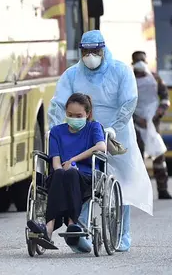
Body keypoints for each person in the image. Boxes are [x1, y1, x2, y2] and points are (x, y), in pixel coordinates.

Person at [48, 30, 153, 252]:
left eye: (95, 51)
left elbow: (129, 101)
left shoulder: (121, 71)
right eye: (86, 52)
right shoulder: (71, 75)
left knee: (123, 181)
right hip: (82, 133)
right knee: (85, 178)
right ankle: (77, 228)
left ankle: (123, 232)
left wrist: (114, 127)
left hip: (117, 132)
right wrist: (56, 131)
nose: (90, 56)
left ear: (103, 50)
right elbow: (58, 105)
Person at [27, 93, 106, 252]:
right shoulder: (57, 132)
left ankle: (61, 225)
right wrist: (64, 168)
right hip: (60, 176)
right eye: (70, 115)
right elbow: (56, 162)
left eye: (78, 115)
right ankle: (54, 228)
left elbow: (101, 147)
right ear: (65, 113)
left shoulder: (93, 127)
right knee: (62, 173)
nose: (74, 118)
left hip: (86, 177)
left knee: (70, 173)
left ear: (87, 114)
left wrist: (73, 160)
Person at [132, 51, 172, 200]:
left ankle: (163, 189)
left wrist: (158, 113)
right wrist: (136, 118)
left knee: (159, 155)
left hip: (153, 124)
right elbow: (123, 103)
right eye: (137, 60)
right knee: (137, 159)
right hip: (136, 125)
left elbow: (165, 98)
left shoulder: (155, 78)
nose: (140, 63)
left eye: (142, 60)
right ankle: (139, 194)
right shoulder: (128, 80)